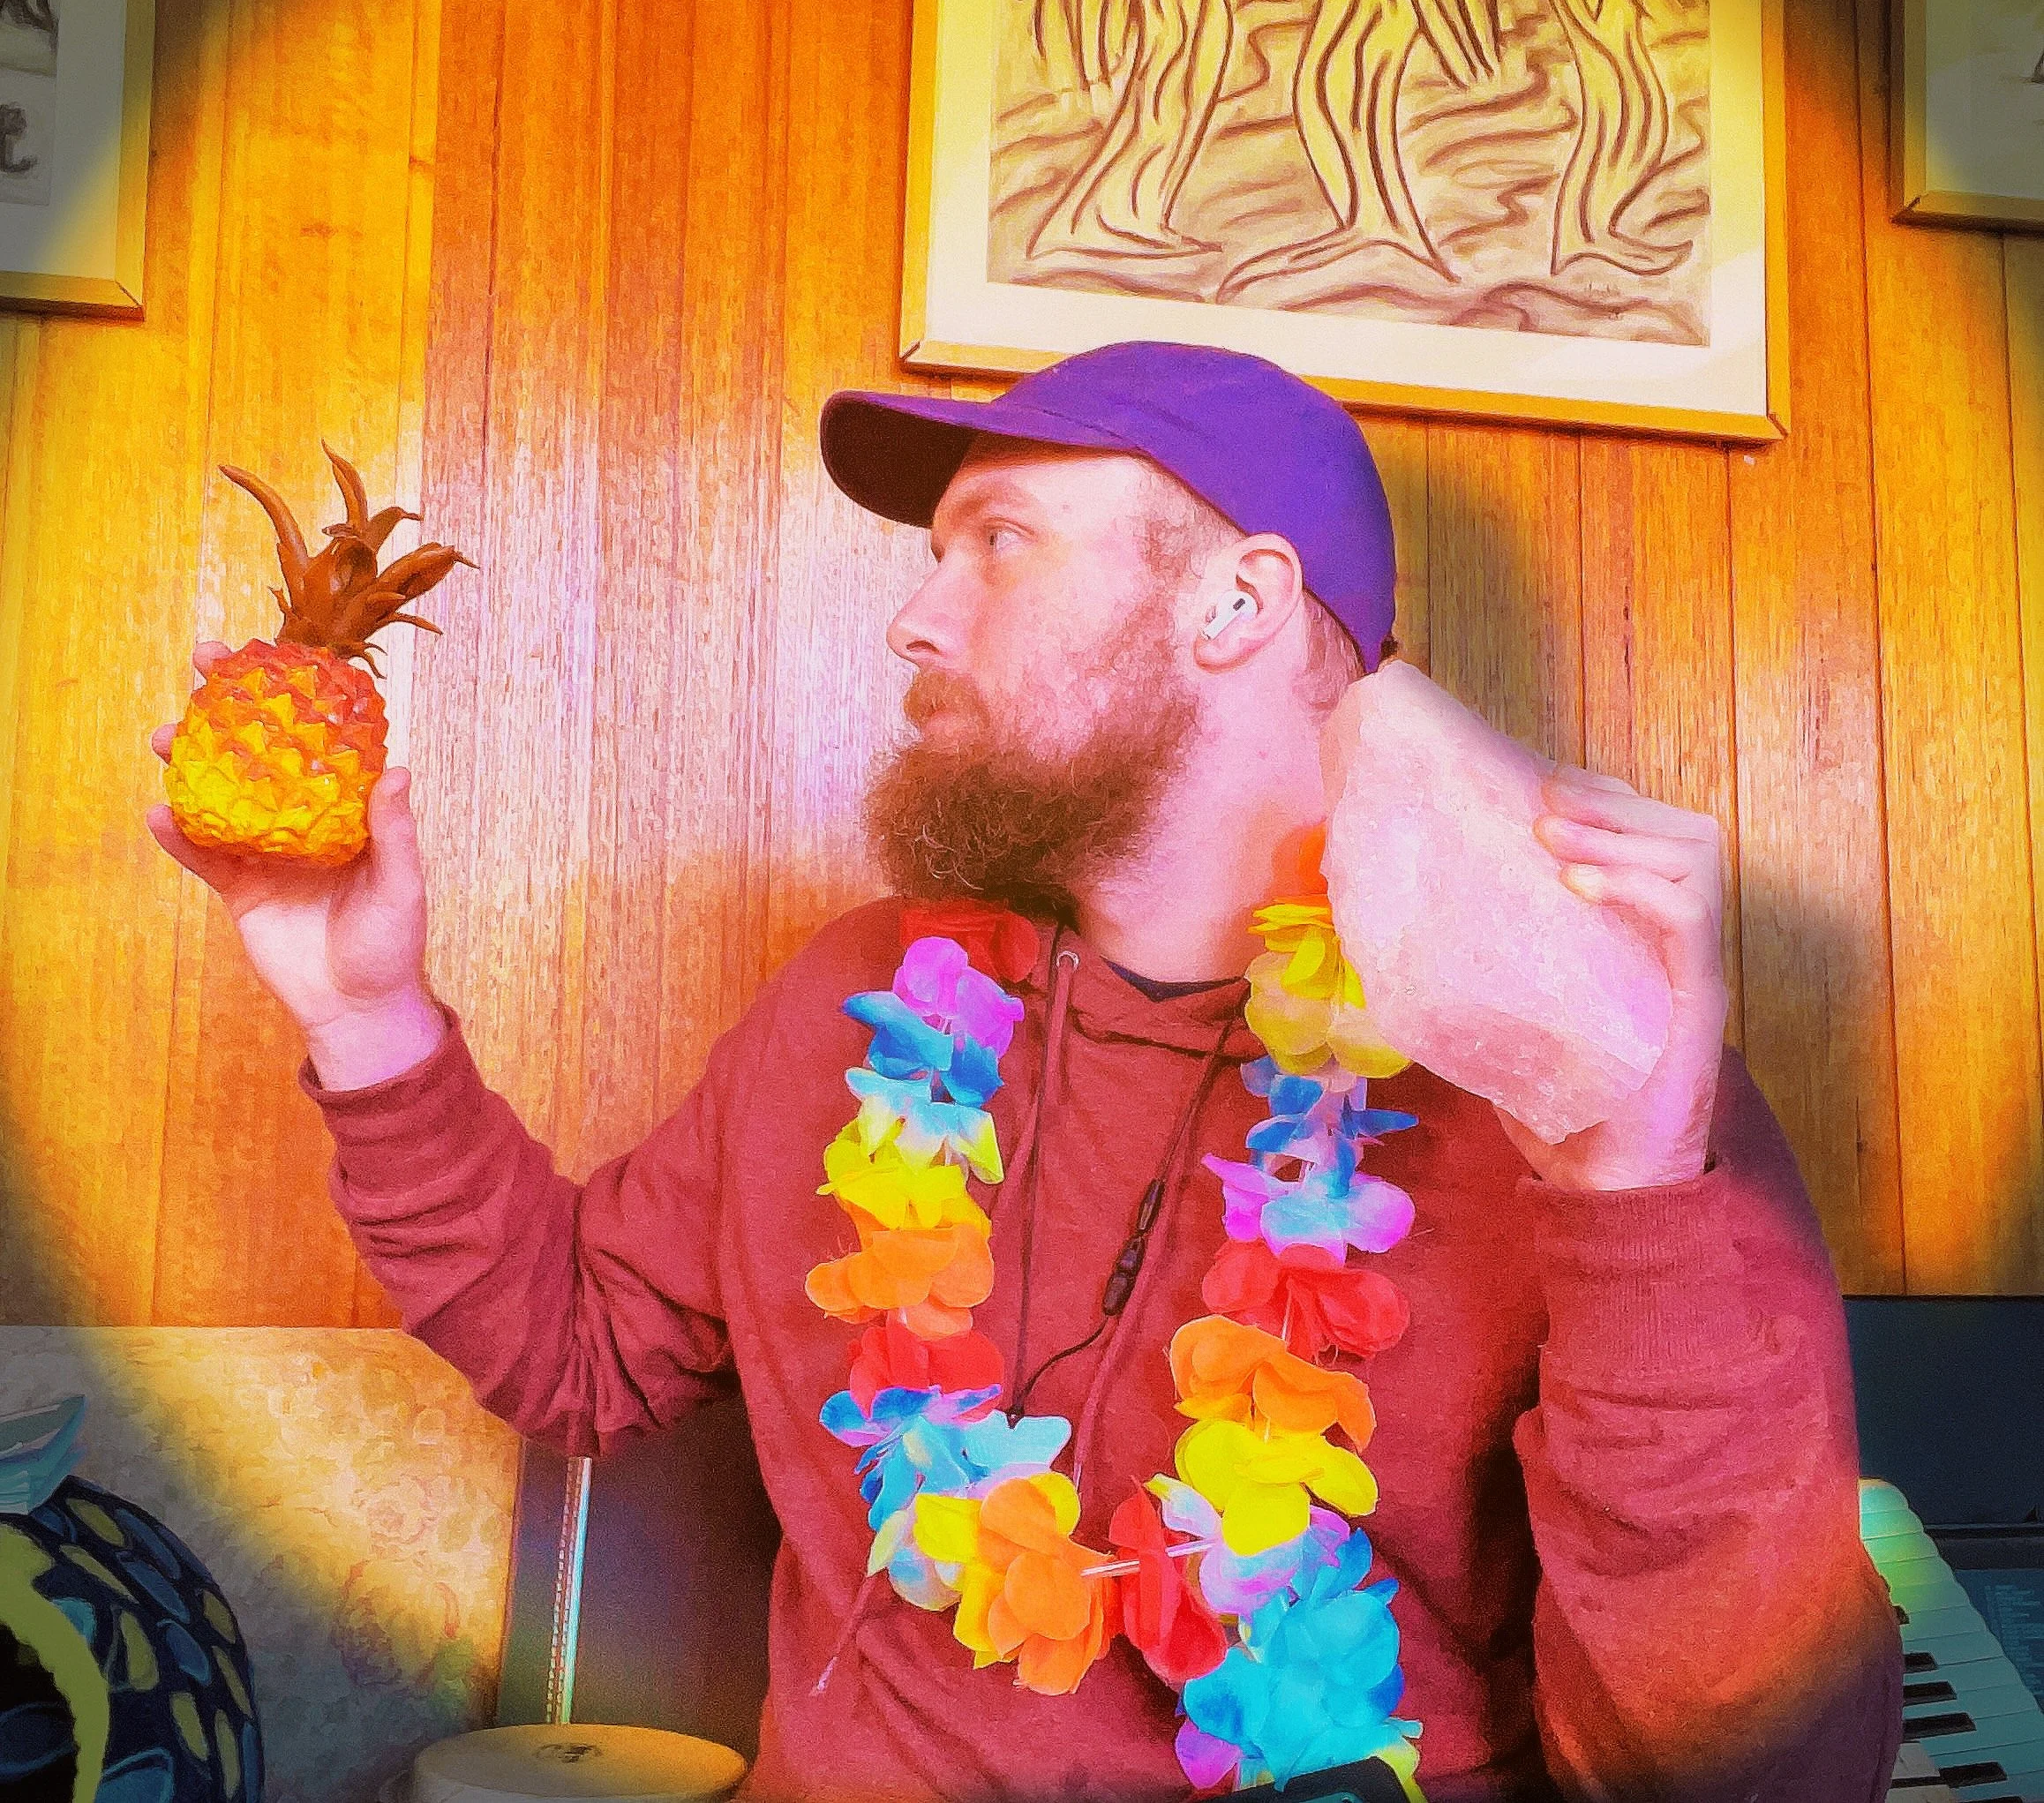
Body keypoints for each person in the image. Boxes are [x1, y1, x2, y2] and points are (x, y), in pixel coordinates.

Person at [147, 342, 1903, 1802]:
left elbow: (1743, 1774)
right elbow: (579, 1353)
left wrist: (1635, 1192)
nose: (916, 622)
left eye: (994, 542)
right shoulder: (856, 1004)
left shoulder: (1573, 1078)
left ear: (1238, 598)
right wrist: (362, 1015)